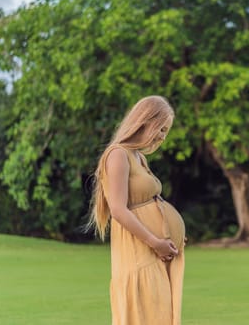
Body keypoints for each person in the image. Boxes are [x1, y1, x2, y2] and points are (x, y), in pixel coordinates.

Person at [87, 95, 186, 325]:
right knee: (143, 315)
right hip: (138, 253)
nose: (162, 137)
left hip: (154, 252)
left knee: (159, 314)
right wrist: (155, 241)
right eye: (161, 129)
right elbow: (119, 210)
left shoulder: (139, 157)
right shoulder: (118, 154)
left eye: (166, 132)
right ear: (145, 121)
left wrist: (171, 233)